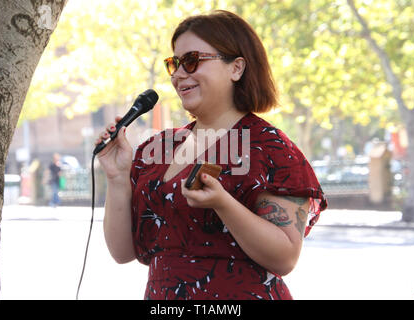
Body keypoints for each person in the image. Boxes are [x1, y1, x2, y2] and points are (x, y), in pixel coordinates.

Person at [96, 10, 327, 300]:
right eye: (174, 64)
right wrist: (117, 178)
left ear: (236, 68)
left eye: (192, 61)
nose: (179, 75)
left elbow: (285, 257)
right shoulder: (157, 149)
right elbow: (121, 252)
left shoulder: (273, 149)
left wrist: (223, 204)